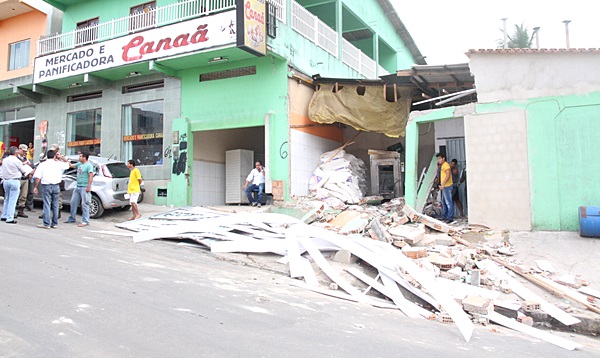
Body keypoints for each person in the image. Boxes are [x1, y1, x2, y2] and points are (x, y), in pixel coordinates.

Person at [32, 150, 71, 229]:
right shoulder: (59, 164)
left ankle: (46, 223)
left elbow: (37, 177)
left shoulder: (42, 165)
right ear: (54, 156)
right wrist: (61, 157)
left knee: (47, 204)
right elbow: (69, 164)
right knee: (55, 205)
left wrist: (35, 187)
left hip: (46, 186)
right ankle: (54, 223)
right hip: (56, 186)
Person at [64, 151, 94, 227]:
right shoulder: (79, 164)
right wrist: (64, 159)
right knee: (73, 202)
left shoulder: (89, 166)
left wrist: (89, 186)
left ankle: (85, 220)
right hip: (78, 186)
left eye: (80, 156)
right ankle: (72, 218)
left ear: (84, 157)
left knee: (85, 204)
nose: (79, 158)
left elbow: (91, 176)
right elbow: (71, 165)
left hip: (84, 186)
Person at [1, 146, 30, 224]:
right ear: (16, 153)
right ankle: (10, 217)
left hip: (6, 180)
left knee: (7, 198)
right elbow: (24, 171)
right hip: (14, 180)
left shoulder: (4, 160)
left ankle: (4, 215)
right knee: (12, 200)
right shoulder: (17, 161)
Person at [16, 144, 33, 218]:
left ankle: (21, 210)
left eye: (26, 151)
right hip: (18, 178)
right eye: (23, 151)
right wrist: (23, 163)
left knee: (23, 195)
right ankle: (13, 210)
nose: (24, 153)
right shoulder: (15, 157)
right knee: (15, 195)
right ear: (19, 149)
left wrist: (29, 165)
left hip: (25, 178)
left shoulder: (26, 158)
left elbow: (32, 166)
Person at [437, 153, 453, 223]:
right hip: (444, 186)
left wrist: (443, 184)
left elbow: (448, 175)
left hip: (447, 186)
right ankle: (444, 216)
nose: (438, 160)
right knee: (444, 202)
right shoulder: (443, 165)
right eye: (438, 159)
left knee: (448, 202)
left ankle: (450, 217)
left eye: (440, 158)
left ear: (443, 158)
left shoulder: (446, 165)